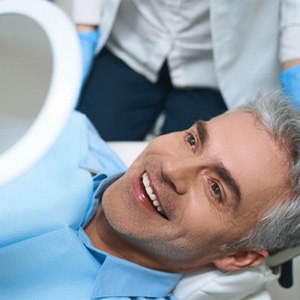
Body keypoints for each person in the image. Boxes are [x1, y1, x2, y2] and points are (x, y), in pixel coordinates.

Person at [1, 91, 300, 299]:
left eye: (215, 189)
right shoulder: (65, 133)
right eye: (192, 140)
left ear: (239, 256)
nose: (171, 167)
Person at [69, 0, 300, 140]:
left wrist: (295, 63)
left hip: (214, 70)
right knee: (82, 148)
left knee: (188, 185)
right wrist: (84, 25)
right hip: (132, 43)